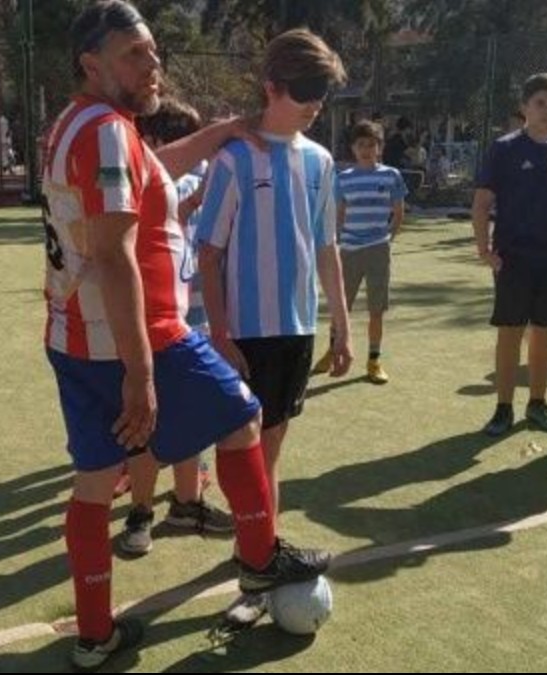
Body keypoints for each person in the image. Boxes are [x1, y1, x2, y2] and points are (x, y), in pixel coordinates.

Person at [42, 3, 331, 669]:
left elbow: (155, 168)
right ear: (93, 64)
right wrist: (142, 374)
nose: (153, 66)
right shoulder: (109, 131)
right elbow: (115, 255)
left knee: (92, 482)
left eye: (152, 51)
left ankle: (94, 636)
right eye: (133, 55)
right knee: (243, 415)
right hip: (140, 337)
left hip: (71, 337)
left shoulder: (75, 123)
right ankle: (258, 561)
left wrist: (226, 129)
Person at [196, 27, 352, 625]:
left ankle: (257, 560)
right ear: (271, 86)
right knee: (245, 450)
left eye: (322, 93)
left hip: (296, 329)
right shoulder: (235, 158)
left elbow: (327, 245)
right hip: (244, 333)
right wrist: (219, 333)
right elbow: (208, 252)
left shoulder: (319, 159)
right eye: (306, 91)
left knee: (274, 449)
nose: (315, 104)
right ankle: (255, 570)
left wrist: (340, 324)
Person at [111, 97, 234, 556]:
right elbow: (172, 220)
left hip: (197, 316)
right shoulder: (145, 177)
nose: (198, 151)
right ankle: (141, 513)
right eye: (190, 141)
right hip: (153, 322)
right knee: (146, 419)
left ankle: (187, 502)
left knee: (193, 416)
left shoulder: (205, 176)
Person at [470, 73, 547, 437]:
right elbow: (482, 203)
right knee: (509, 332)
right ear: (524, 108)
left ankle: (538, 403)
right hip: (514, 257)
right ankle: (503, 409)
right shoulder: (504, 149)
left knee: (545, 334)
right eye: (540, 103)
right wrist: (484, 250)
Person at [311, 119, 407, 384]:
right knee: (340, 305)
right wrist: (339, 242)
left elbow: (398, 213)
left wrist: (388, 238)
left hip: (378, 250)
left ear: (380, 147)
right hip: (349, 251)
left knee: (377, 309)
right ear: (353, 148)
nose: (366, 149)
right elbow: (338, 216)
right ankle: (333, 351)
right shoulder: (342, 179)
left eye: (371, 144)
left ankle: (374, 360)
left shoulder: (391, 175)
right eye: (361, 144)